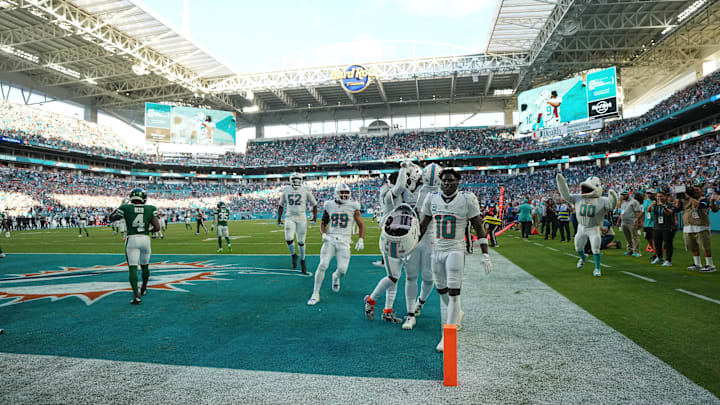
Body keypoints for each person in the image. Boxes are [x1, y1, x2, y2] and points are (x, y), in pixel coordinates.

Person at [416, 169, 492, 352]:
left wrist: (485, 253)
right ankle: (457, 313)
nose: (446, 184)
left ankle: (448, 336)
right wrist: (411, 247)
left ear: (458, 182)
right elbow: (422, 226)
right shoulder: (432, 198)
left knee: (454, 293)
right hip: (437, 249)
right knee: (441, 289)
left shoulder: (467, 199)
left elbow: (478, 227)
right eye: (443, 181)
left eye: (450, 180)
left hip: (455, 250)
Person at [364, 162, 423, 324]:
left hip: (401, 236)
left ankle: (387, 311)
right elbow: (399, 188)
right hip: (391, 239)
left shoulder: (399, 193)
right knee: (392, 277)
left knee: (396, 277)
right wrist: (404, 168)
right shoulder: (389, 192)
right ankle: (370, 300)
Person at [307, 183, 365, 306]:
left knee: (342, 270)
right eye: (342, 193)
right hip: (331, 240)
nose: (344, 195)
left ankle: (335, 277)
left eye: (346, 193)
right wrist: (323, 234)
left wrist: (361, 239)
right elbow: (323, 223)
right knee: (322, 265)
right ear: (336, 194)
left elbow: (361, 224)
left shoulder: (353, 206)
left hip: (345, 242)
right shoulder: (329, 205)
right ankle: (315, 294)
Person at [556, 174, 618, 277]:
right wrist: (561, 183)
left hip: (594, 228)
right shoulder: (578, 198)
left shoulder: (602, 200)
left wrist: (613, 197)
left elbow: (611, 206)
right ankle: (583, 257)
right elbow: (566, 196)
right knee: (578, 247)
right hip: (581, 227)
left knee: (595, 248)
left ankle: (597, 268)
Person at [109, 188, 161, 305]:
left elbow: (111, 218)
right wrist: (148, 231)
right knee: (145, 266)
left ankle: (136, 296)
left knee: (132, 268)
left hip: (132, 238)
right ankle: (144, 287)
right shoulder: (151, 208)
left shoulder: (126, 208)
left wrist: (120, 206)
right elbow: (157, 228)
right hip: (145, 239)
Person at [278, 173, 318, 274]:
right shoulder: (286, 190)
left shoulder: (305, 189)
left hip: (301, 217)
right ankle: (293, 254)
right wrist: (279, 218)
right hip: (289, 217)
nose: (296, 181)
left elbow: (314, 204)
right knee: (288, 238)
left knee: (301, 241)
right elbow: (281, 205)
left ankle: (303, 260)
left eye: (297, 179)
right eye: (294, 179)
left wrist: (315, 218)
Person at [679, 180, 718, 272]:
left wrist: (689, 197)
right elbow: (678, 207)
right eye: (694, 190)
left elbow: (700, 206)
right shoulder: (686, 201)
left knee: (705, 246)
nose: (695, 191)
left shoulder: (704, 199)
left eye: (697, 190)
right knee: (693, 247)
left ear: (702, 191)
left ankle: (710, 264)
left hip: (701, 226)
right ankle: (697, 264)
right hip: (688, 226)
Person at [647, 188, 678, 266]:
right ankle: (659, 257)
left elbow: (669, 213)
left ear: (665, 197)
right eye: (658, 197)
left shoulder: (670, 205)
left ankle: (668, 260)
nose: (659, 198)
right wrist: (651, 205)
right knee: (657, 243)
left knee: (668, 244)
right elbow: (648, 210)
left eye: (661, 196)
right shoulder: (656, 205)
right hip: (657, 227)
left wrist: (663, 206)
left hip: (667, 227)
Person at [617, 190, 643, 257]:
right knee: (627, 237)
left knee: (634, 237)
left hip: (632, 222)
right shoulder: (624, 203)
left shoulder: (634, 202)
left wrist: (638, 220)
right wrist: (619, 221)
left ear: (627, 195)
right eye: (621, 195)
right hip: (624, 222)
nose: (622, 196)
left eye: (623, 195)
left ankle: (637, 251)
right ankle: (630, 250)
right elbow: (621, 213)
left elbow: (638, 211)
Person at [642, 189, 657, 262]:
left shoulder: (656, 202)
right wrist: (639, 220)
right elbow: (643, 211)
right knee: (647, 238)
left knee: (653, 239)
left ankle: (655, 255)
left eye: (651, 193)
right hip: (646, 223)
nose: (649, 195)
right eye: (648, 193)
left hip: (654, 223)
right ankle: (655, 252)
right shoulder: (645, 201)